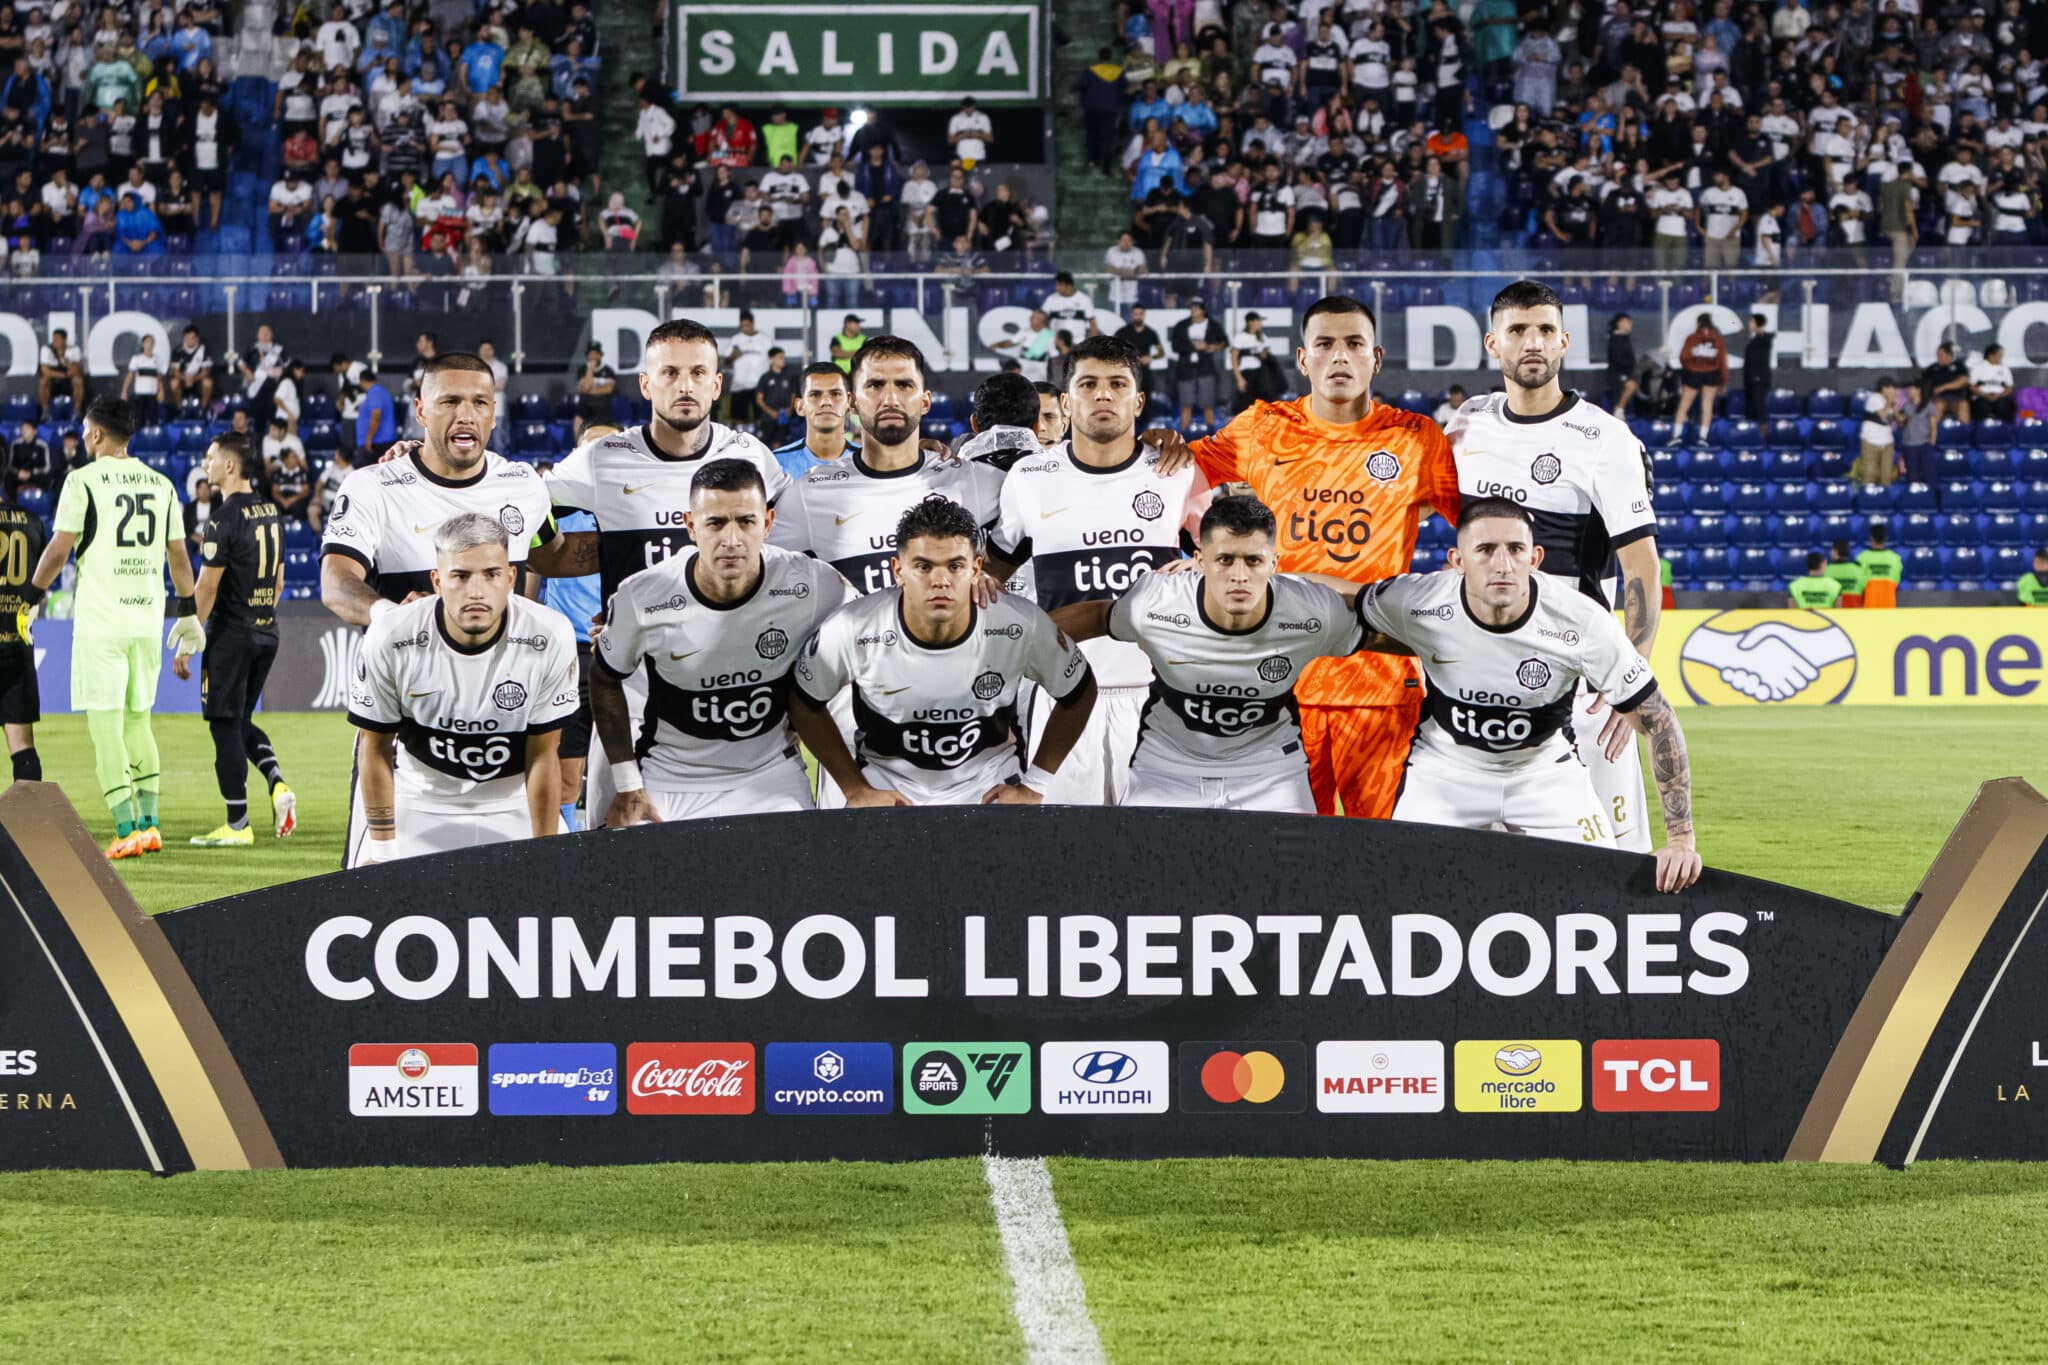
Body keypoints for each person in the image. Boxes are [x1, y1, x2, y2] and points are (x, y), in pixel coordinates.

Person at [1180, 295, 1459, 820]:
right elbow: (1175, 475)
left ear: (1375, 358)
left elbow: (1477, 528)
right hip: (1280, 687)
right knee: (1286, 865)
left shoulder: (1418, 439)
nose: (1339, 357)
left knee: (1381, 860)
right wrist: (1194, 553)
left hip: (1379, 688)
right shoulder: (1263, 427)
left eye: (1354, 344)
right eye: (1325, 344)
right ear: (1303, 359)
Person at [1349, 499, 1702, 891]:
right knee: (1398, 886)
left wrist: (1681, 840)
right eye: (1485, 550)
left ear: (1535, 557)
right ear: (1457, 559)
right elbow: (1341, 606)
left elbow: (1659, 719)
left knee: (1604, 890)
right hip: (1446, 770)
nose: (1502, 564)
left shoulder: (1581, 620)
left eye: (1515, 550)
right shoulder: (1419, 600)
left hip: (1544, 771)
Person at [320, 353, 572, 868]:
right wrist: (390, 613)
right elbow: (337, 582)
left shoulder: (522, 485)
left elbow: (556, 553)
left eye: (480, 402)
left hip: (507, 728)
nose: (466, 414)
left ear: (495, 413)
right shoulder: (374, 488)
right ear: (420, 411)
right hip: (411, 741)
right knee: (375, 902)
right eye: (450, 401)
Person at [542, 318, 789, 824]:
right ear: (646, 383)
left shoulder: (751, 458)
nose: (685, 385)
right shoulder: (603, 459)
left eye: (699, 372)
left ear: (717, 384)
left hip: (733, 687)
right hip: (629, 695)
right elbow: (518, 500)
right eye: (670, 372)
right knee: (616, 856)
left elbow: (796, 547)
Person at [1448, 280, 1661, 852]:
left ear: (1565, 341)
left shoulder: (1604, 439)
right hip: (1483, 675)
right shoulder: (1467, 423)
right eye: (1518, 330)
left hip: (1580, 678)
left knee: (1613, 856)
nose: (1532, 342)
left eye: (1545, 329)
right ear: (1494, 343)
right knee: (1491, 858)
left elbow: (1642, 567)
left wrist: (1631, 682)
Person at [984, 336, 1206, 806]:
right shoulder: (1030, 479)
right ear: (1066, 402)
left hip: (1156, 697)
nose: (1103, 395)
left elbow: (1225, 565)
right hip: (1063, 695)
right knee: (1066, 857)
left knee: (1157, 854)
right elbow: (989, 577)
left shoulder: (1178, 472)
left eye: (1117, 384)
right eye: (1088, 384)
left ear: (1138, 400)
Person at [1049, 495, 1375, 813]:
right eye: (1224, 560)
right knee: (1139, 866)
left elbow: (1384, 636)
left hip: (1271, 771)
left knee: (1290, 869)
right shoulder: (1156, 604)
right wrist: (1021, 639)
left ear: (1273, 564)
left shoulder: (1310, 610)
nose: (1239, 575)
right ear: (1200, 561)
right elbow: (1096, 616)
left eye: (1253, 560)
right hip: (1167, 767)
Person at [791, 498, 1098, 807]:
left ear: (976, 569)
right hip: (889, 791)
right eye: (923, 566)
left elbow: (1079, 691)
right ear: (898, 570)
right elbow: (804, 701)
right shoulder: (854, 628)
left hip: (989, 789)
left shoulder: (1018, 623)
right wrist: (854, 788)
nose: (940, 581)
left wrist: (1035, 784)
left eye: (955, 566)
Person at [594, 459, 853, 823]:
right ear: (690, 526)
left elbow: (869, 626)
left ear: (767, 523)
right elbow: (604, 678)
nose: (731, 540)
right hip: (672, 779)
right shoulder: (644, 596)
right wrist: (626, 782)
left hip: (770, 776)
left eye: (746, 522)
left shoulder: (811, 585)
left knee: (800, 873)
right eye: (715, 523)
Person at [24, 398, 204, 857]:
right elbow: (179, 557)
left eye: (86, 430)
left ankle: (125, 830)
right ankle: (150, 824)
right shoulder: (162, 484)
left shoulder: (82, 481)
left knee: (105, 727)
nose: (84, 437)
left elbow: (59, 550)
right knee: (138, 722)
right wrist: (187, 612)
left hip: (103, 623)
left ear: (99, 434)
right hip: (146, 620)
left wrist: (27, 600)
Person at [347, 513, 577, 863]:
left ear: (511, 578)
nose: (476, 591)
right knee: (370, 903)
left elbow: (543, 755)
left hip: (511, 802)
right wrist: (383, 850)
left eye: (491, 574)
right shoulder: (391, 636)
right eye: (460, 576)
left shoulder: (549, 635)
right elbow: (374, 748)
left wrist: (542, 854)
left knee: (563, 900)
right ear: (437, 581)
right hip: (420, 802)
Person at [769, 336, 1002, 597]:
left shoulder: (973, 480)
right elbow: (759, 577)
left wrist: (991, 576)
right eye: (875, 385)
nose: (890, 398)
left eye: (904, 385)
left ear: (925, 401)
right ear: (853, 402)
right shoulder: (808, 495)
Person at [179, 434, 296, 846]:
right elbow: (280, 580)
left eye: (210, 458)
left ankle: (236, 825)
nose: (205, 463)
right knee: (242, 721)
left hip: (231, 635)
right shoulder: (270, 512)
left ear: (229, 466)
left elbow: (207, 588)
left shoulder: (223, 518)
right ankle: (278, 783)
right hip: (267, 631)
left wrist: (188, 640)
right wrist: (260, 616)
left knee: (223, 725)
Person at [0, 489, 47, 782]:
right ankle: (25, 825)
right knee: (23, 746)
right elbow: (45, 574)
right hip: (17, 643)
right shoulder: (31, 521)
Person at [771, 362, 861, 479]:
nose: (826, 402)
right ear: (800, 406)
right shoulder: (777, 464)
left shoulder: (871, 462)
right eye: (815, 394)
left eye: (835, 394)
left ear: (849, 402)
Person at [1669, 315, 1726, 444]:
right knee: (1707, 405)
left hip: (1693, 374)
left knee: (1684, 405)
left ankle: (1676, 436)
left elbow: (1683, 357)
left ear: (1698, 323)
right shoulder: (1717, 339)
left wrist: (1690, 368)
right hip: (1712, 374)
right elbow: (1722, 362)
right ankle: (1703, 438)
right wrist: (1722, 380)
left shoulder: (1692, 338)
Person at [1169, 299, 1225, 428]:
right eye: (1192, 307)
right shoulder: (1181, 325)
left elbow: (1223, 341)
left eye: (1196, 307)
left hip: (1206, 368)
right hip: (1186, 369)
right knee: (1186, 405)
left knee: (1208, 405)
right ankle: (1182, 440)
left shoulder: (1213, 325)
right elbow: (1175, 346)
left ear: (1203, 310)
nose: (1193, 310)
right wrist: (1193, 347)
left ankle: (1210, 439)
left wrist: (1211, 347)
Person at [1856, 379, 1900, 486]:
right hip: (1871, 440)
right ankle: (1867, 498)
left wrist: (1894, 406)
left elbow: (1897, 419)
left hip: (1887, 441)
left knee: (1887, 475)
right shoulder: (1875, 397)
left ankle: (1884, 497)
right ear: (1884, 388)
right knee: (1870, 473)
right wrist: (1889, 401)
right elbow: (1883, 415)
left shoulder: (1890, 401)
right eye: (1892, 388)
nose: (1895, 391)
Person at [572, 342, 615, 439]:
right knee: (578, 419)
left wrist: (589, 390)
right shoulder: (582, 370)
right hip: (585, 406)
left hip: (603, 407)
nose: (593, 356)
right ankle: (579, 447)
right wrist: (590, 369)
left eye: (595, 354)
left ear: (600, 355)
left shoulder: (608, 371)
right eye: (590, 354)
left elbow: (608, 389)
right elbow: (585, 387)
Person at [37, 328, 83, 416]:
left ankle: (76, 411)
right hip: (54, 380)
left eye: (57, 339)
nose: (54, 341)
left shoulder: (74, 349)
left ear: (64, 340)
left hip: (68, 382)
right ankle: (45, 411)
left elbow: (75, 370)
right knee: (43, 381)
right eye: (53, 339)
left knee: (78, 381)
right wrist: (65, 375)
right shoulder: (46, 349)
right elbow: (46, 371)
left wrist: (63, 358)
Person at [122, 332, 166, 424]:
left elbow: (159, 378)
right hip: (140, 394)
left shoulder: (157, 360)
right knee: (139, 420)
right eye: (147, 342)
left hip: (152, 394)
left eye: (151, 342)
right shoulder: (136, 359)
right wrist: (124, 391)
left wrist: (161, 391)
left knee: (154, 419)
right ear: (143, 344)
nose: (149, 344)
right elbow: (130, 376)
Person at [1970, 344, 2016, 424]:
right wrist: (1985, 395)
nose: (2001, 357)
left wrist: (1998, 396)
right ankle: (1979, 432)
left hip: (2000, 397)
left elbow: (2009, 388)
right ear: (1991, 355)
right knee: (1982, 407)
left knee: (2004, 406)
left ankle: (2007, 431)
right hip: (1982, 397)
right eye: (1999, 355)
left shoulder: (2005, 368)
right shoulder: (1977, 367)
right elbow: (1972, 387)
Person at [1607, 314, 1638, 418]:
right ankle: (1619, 409)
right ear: (1619, 323)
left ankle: (1620, 410)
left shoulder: (1625, 338)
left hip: (1626, 372)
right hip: (1618, 373)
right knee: (1631, 385)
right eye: (1627, 322)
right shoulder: (1616, 339)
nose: (1630, 324)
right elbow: (1617, 358)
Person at [1743, 314, 1772, 422]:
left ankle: (1761, 435)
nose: (1749, 324)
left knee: (1759, 408)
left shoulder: (1764, 339)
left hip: (1759, 378)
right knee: (1751, 408)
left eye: (1752, 321)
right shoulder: (1754, 339)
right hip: (1751, 379)